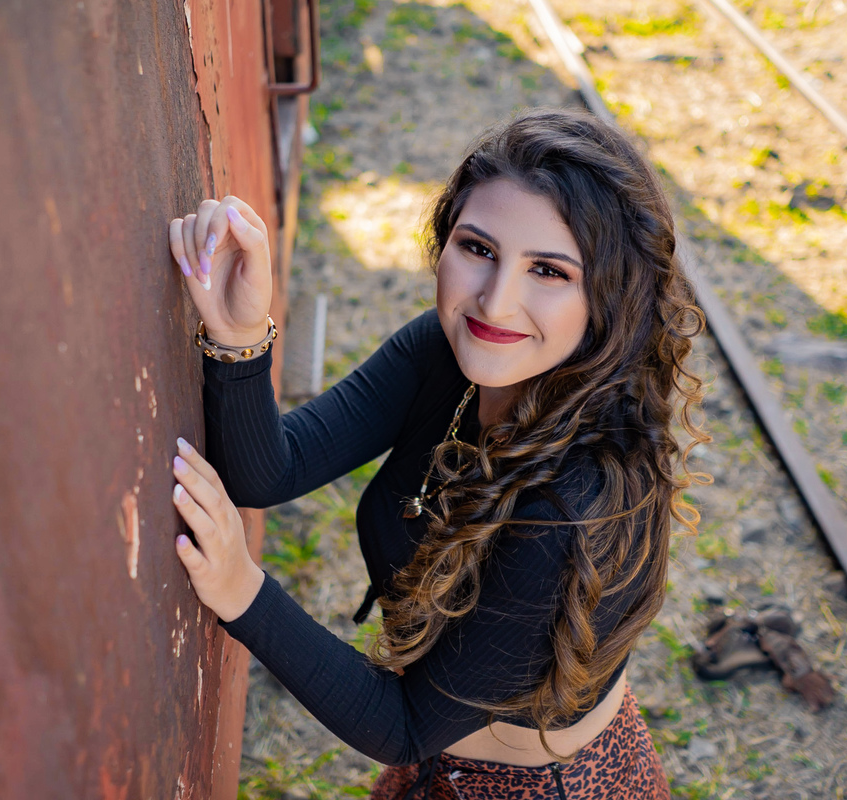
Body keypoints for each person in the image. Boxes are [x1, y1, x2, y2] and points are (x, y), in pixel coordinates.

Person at [164, 108, 708, 799]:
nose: (496, 301)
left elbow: (405, 725)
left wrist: (243, 590)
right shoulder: (450, 351)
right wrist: (241, 334)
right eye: (478, 249)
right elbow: (272, 468)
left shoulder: (573, 508)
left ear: (608, 300)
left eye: (548, 270)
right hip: (439, 760)